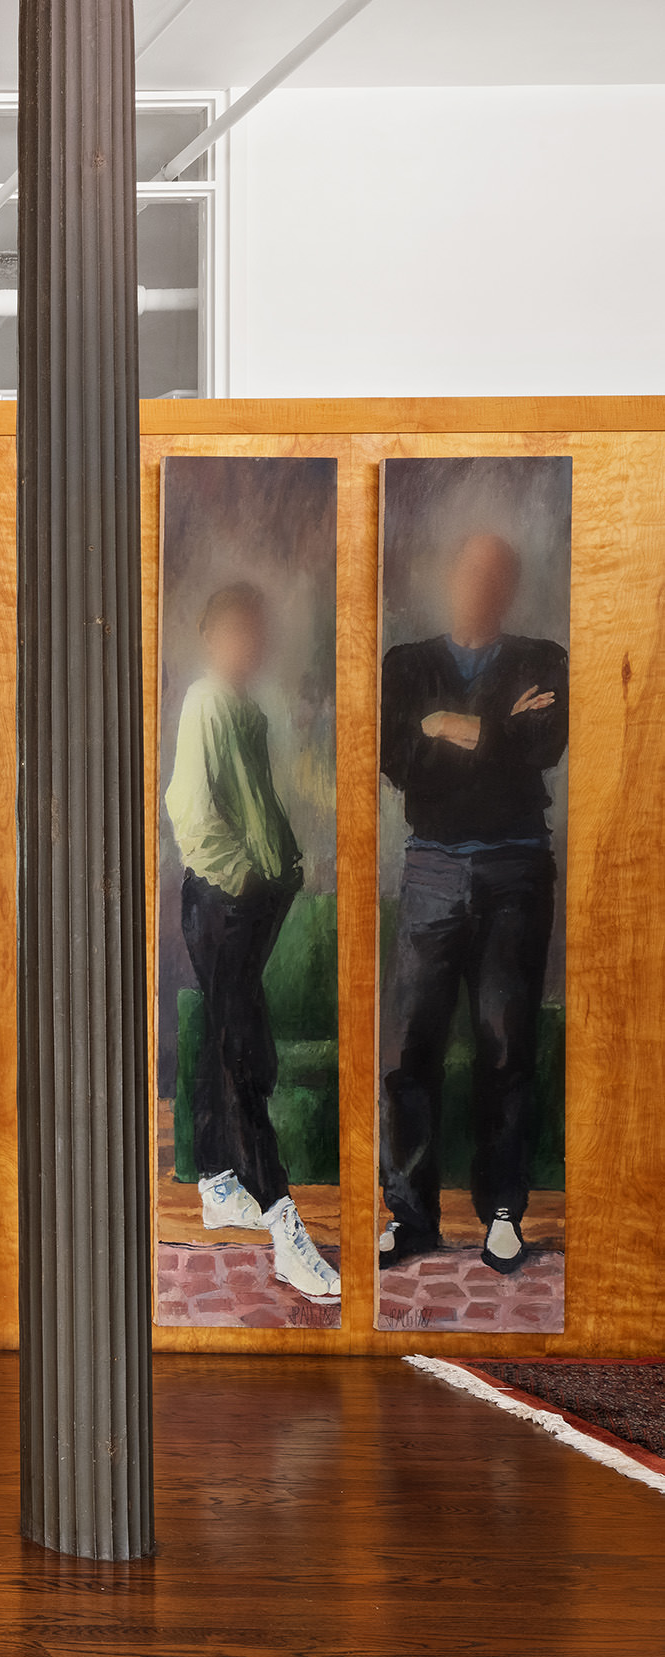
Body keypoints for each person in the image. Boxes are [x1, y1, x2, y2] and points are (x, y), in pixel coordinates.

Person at [379, 532, 566, 1276]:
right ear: (449, 576)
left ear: (509, 588)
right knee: (409, 1051)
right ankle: (412, 1218)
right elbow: (393, 756)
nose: (478, 585)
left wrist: (447, 726)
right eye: (468, 570)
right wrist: (493, 731)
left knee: (504, 1046)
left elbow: (541, 746)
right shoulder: (406, 664)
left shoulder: (541, 658)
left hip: (516, 871)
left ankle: (501, 1216)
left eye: (494, 576)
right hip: (429, 871)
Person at [164, 582, 339, 1302]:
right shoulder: (204, 700)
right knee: (246, 1053)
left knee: (219, 1039)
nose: (247, 645)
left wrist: (287, 867)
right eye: (234, 632)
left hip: (257, 900)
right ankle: (281, 1222)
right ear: (211, 637)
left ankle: (213, 1181)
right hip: (220, 901)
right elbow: (190, 806)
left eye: (255, 634)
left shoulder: (248, 711)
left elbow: (261, 801)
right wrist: (239, 879)